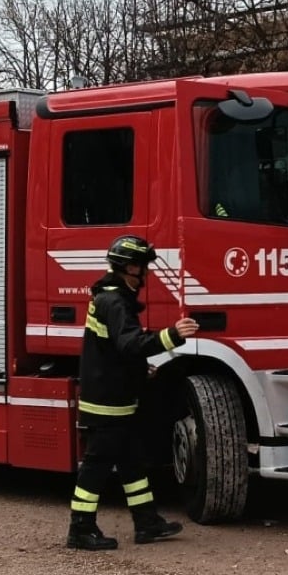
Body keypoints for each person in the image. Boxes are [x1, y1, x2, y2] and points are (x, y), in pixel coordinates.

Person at [67, 234, 200, 551]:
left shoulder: (112, 298)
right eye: (144, 267)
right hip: (108, 403)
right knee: (96, 466)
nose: (148, 274)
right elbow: (129, 345)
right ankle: (80, 529)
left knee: (131, 463)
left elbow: (111, 351)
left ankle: (147, 523)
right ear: (130, 268)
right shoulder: (114, 302)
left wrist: (141, 371)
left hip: (115, 398)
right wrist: (172, 335)